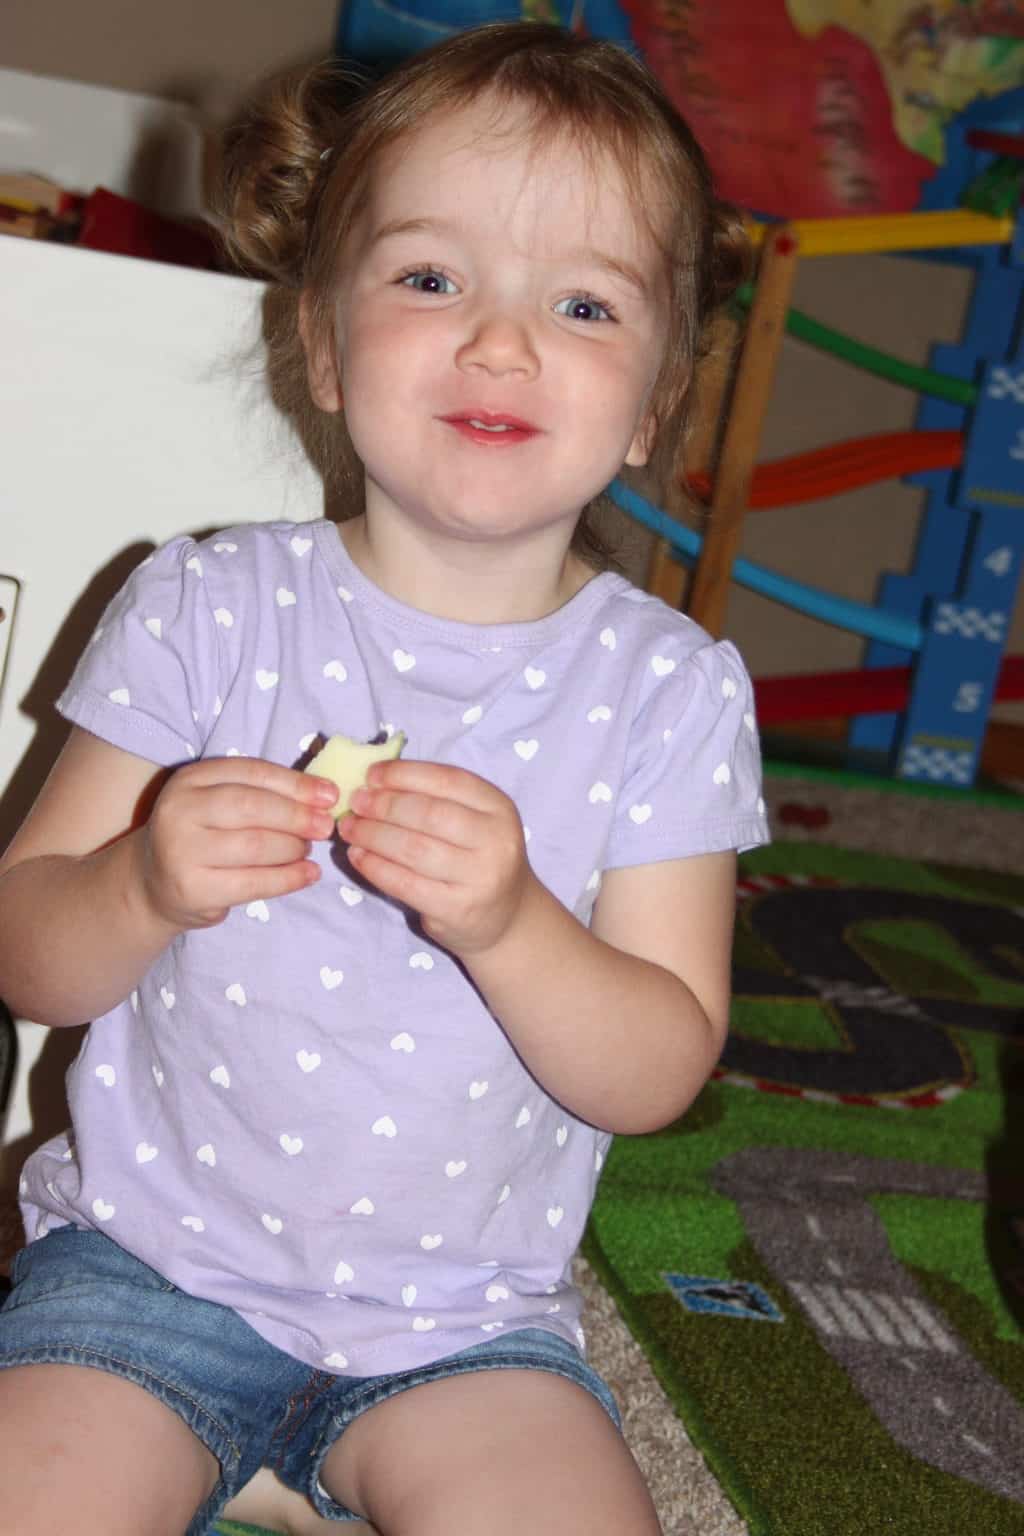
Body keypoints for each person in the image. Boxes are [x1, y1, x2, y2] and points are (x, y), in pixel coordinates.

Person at [0, 21, 769, 1536]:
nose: (501, 342)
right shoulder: (206, 605)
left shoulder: (670, 688)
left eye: (585, 303)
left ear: (656, 404)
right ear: (321, 346)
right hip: (150, 1274)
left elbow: (657, 1063)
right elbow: (26, 949)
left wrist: (514, 928)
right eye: (432, 278)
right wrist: (142, 877)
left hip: (467, 1333)